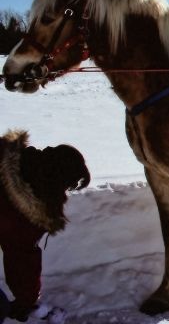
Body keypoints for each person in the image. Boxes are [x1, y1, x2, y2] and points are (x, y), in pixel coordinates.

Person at [0, 130, 90, 322]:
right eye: (69, 186)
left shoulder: (9, 159)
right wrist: (26, 301)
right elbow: (22, 257)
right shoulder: (25, 214)